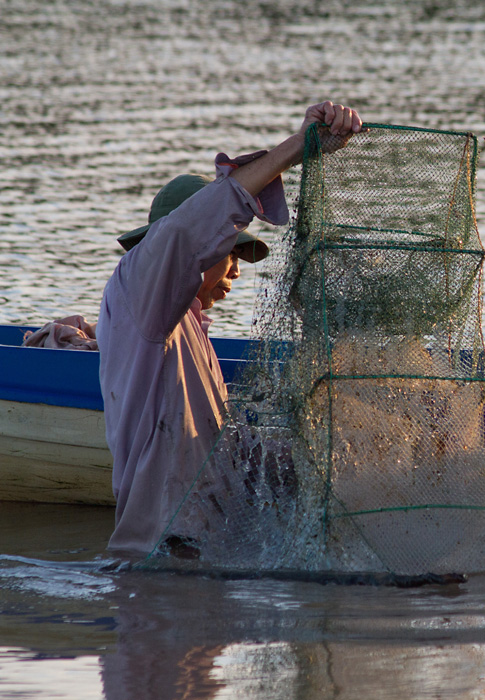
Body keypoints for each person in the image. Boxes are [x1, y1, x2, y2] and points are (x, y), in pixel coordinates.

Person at [97, 101, 363, 555]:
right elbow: (187, 231)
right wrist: (297, 148)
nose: (237, 270)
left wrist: (321, 456)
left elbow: (217, 454)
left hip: (207, 555)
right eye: (230, 252)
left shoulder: (186, 331)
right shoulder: (138, 287)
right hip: (164, 557)